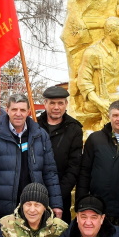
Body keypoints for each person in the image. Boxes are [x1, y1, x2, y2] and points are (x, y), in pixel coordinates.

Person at [0, 93, 63, 220]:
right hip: (4, 208)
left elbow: (50, 172)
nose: (18, 114)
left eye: (22, 110)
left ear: (28, 112)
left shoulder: (40, 135)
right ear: (7, 110)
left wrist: (56, 204)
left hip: (34, 207)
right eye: (14, 109)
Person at [77, 100, 119, 226]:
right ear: (109, 117)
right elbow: (84, 173)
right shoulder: (95, 139)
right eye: (115, 115)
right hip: (100, 207)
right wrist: (81, 202)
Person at [37, 87, 82, 223]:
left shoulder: (74, 129)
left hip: (61, 194)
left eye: (60, 103)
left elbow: (74, 166)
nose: (56, 107)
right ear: (45, 103)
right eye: (52, 103)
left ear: (66, 104)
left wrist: (59, 193)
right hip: (34, 194)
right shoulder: (34, 125)